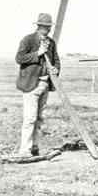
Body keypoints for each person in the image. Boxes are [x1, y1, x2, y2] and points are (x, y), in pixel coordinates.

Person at [15, 12, 61, 156]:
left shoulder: (51, 43)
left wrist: (55, 69)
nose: (47, 30)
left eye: (48, 27)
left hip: (45, 84)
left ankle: (35, 147)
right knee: (30, 118)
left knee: (40, 118)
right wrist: (37, 54)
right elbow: (19, 58)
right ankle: (24, 150)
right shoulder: (28, 40)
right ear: (38, 26)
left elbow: (57, 61)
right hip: (30, 85)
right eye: (44, 27)